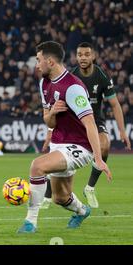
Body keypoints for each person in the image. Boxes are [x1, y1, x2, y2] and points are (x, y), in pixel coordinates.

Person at [18, 41, 112, 233]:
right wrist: (52, 113)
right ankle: (81, 211)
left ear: (50, 61)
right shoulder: (44, 82)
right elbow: (49, 122)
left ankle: (30, 222)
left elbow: (90, 123)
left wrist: (99, 158)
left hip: (79, 147)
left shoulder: (73, 87)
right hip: (58, 144)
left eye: (39, 60)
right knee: (60, 198)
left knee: (37, 166)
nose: (36, 65)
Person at [40, 42, 131, 209]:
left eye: (86, 54)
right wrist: (50, 131)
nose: (82, 58)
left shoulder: (102, 76)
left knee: (105, 146)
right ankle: (48, 195)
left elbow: (115, 104)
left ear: (93, 56)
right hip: (73, 123)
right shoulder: (70, 77)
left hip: (95, 120)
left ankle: (89, 187)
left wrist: (122, 131)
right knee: (55, 160)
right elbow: (54, 104)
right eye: (79, 55)